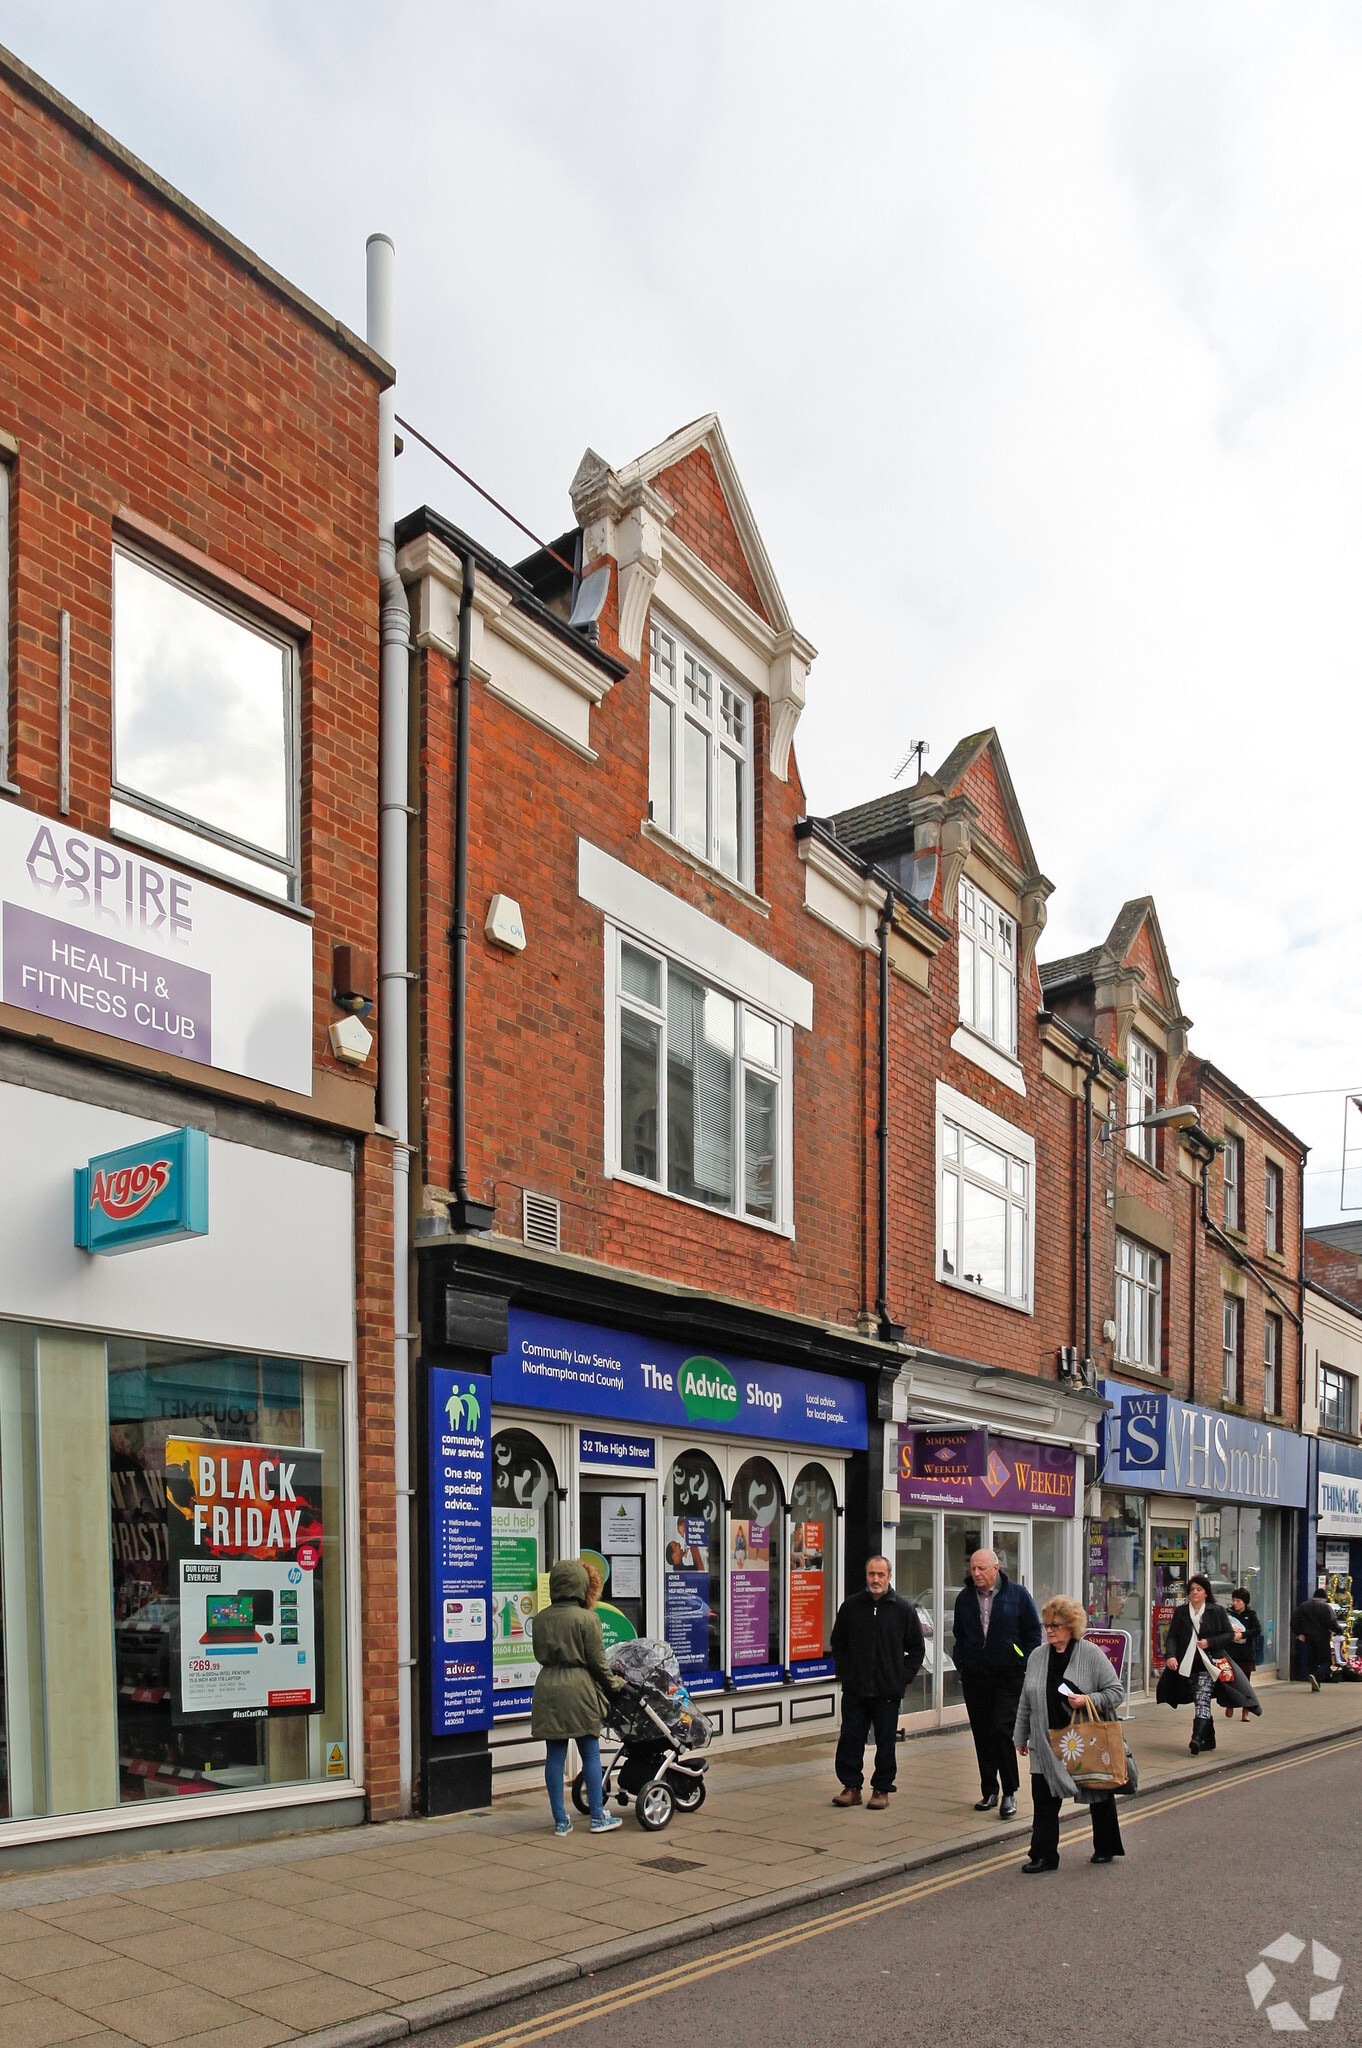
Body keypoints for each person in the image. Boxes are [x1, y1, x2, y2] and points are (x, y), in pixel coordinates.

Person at [1013, 1596, 1125, 1873]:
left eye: (1056, 1625)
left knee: (1097, 1793)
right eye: (1046, 1625)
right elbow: (1026, 1700)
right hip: (1044, 1739)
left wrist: (1087, 1700)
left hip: (1083, 1739)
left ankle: (1106, 1846)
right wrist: (1020, 1736)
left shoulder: (1091, 1654)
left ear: (1071, 1627)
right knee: (1043, 1800)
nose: (1049, 1630)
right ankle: (1043, 1855)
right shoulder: (1038, 1656)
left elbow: (1116, 1692)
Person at [530, 1559, 625, 1836]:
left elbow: (539, 1654)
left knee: (555, 1756)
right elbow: (598, 1662)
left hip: (548, 1686)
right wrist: (614, 1685)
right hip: (579, 1687)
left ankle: (560, 1821)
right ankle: (597, 1816)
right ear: (582, 1585)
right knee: (590, 1753)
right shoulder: (587, 1619)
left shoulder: (541, 1619)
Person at [952, 1548, 1042, 1821]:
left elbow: (1032, 1633)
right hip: (975, 1676)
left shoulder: (1017, 1595)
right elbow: (959, 1634)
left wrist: (1021, 1660)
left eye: (981, 1569)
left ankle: (1010, 1792)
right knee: (982, 1732)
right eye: (973, 1569)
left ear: (995, 1568)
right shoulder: (965, 1598)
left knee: (1003, 1731)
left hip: (1008, 1676)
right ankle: (989, 1789)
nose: (976, 1574)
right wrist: (963, 1662)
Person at [829, 1554, 925, 1809]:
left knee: (885, 1743)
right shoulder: (850, 1606)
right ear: (866, 1576)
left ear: (889, 1577)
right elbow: (838, 1643)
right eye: (872, 1574)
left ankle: (881, 1789)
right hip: (855, 1689)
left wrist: (901, 1678)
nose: (875, 1579)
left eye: (881, 1574)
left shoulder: (903, 1609)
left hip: (887, 1692)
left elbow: (916, 1649)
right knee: (850, 1739)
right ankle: (851, 1787)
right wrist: (846, 1673)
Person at [1159, 1572, 1237, 1753]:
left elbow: (1229, 1634)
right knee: (1200, 1701)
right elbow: (1172, 1637)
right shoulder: (1181, 1612)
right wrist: (1170, 1656)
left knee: (1202, 1699)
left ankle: (1196, 1738)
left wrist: (1210, 1642)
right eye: (1192, 1589)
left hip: (1208, 1665)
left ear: (1206, 1593)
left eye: (1199, 1589)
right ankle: (1209, 1740)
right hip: (1187, 1665)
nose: (1194, 1592)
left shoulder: (1216, 1611)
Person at [1291, 1585, 1338, 1692]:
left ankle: (1315, 1685)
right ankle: (1316, 1676)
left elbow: (1294, 1621)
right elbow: (1332, 1622)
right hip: (1322, 1638)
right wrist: (1339, 1630)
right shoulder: (1326, 1607)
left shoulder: (1303, 1606)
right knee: (1327, 1662)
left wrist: (1299, 1633)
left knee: (1312, 1661)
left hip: (1308, 1638)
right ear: (1324, 1598)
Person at [1224, 1587, 1261, 1723]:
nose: (1235, 1603)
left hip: (1245, 1654)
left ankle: (1246, 1711)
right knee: (1229, 1681)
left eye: (1238, 1600)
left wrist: (1243, 1635)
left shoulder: (1251, 1615)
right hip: (1231, 1653)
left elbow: (1257, 1630)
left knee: (1245, 1684)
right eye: (1234, 1600)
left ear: (1245, 1602)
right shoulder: (1228, 1614)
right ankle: (1230, 1705)